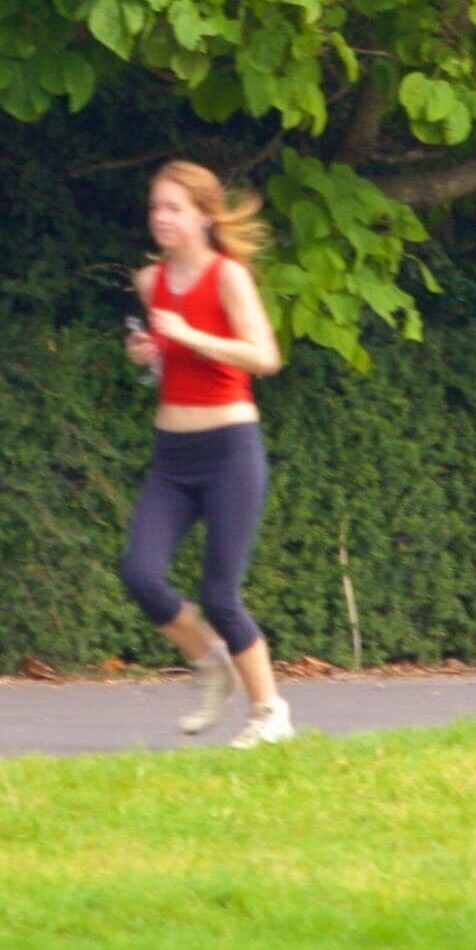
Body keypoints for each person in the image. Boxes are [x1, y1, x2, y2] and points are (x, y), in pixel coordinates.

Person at [118, 158, 294, 746]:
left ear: (202, 216)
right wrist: (151, 354)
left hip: (229, 449)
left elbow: (264, 357)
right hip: (173, 454)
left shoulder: (227, 277)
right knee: (140, 573)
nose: (160, 218)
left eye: (173, 208)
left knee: (220, 594)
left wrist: (189, 336)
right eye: (155, 207)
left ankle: (270, 713)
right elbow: (175, 364)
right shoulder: (150, 282)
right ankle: (209, 665)